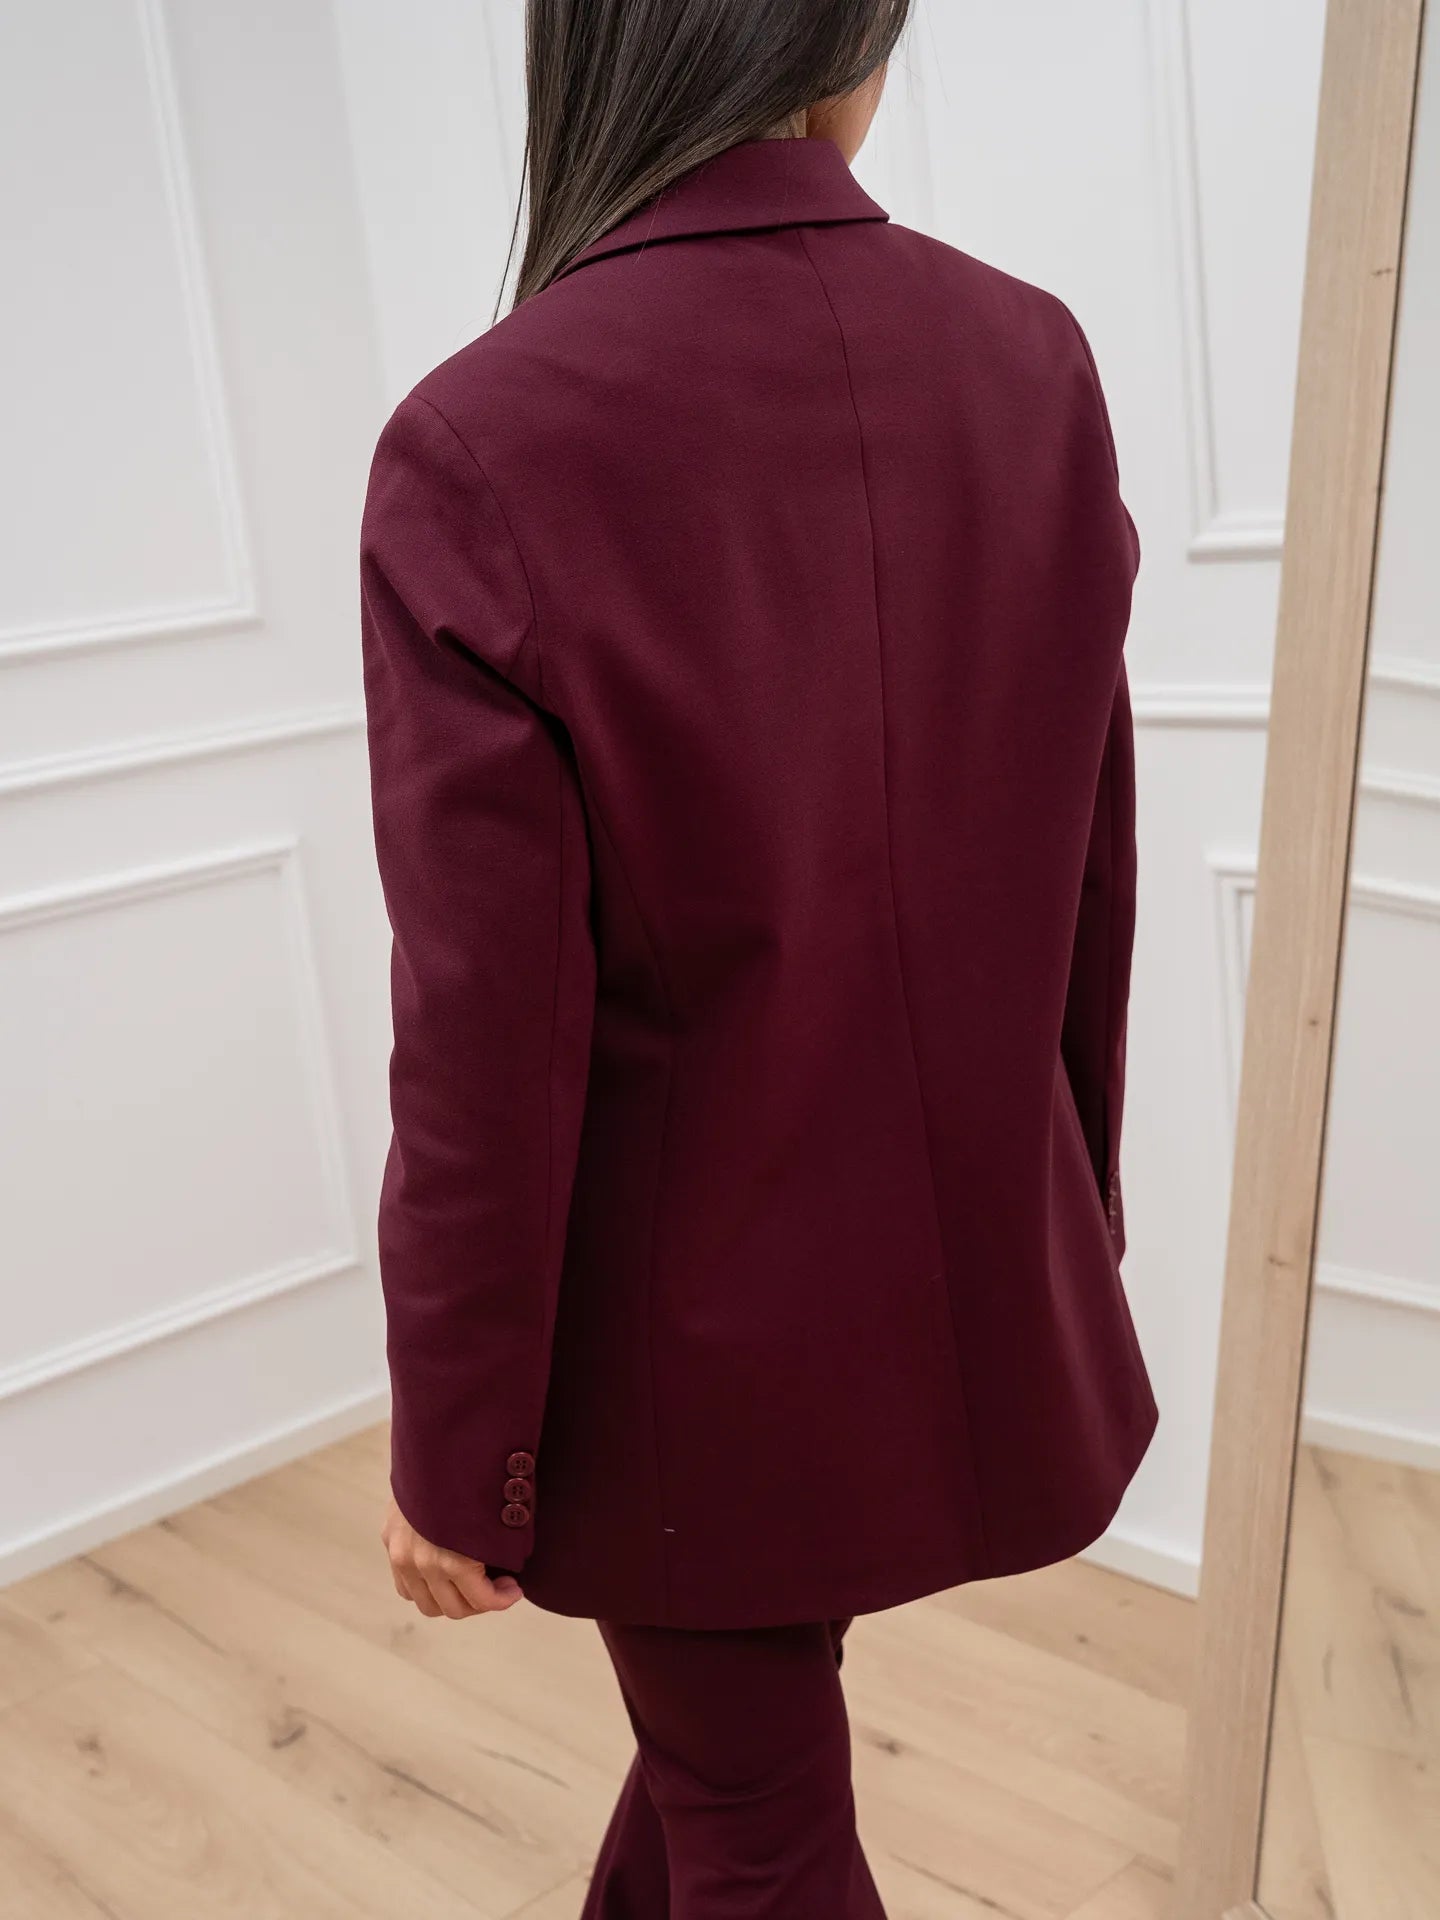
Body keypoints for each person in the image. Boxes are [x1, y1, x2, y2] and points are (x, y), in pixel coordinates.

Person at [359, 2, 1158, 1912]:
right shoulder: (1030, 358)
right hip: (948, 1284)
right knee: (733, 1767)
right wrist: (1068, 1224)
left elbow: (486, 1038)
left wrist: (458, 1448)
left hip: (688, 1367)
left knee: (752, 1816)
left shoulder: (485, 436)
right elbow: (1086, 873)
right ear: (842, 41)